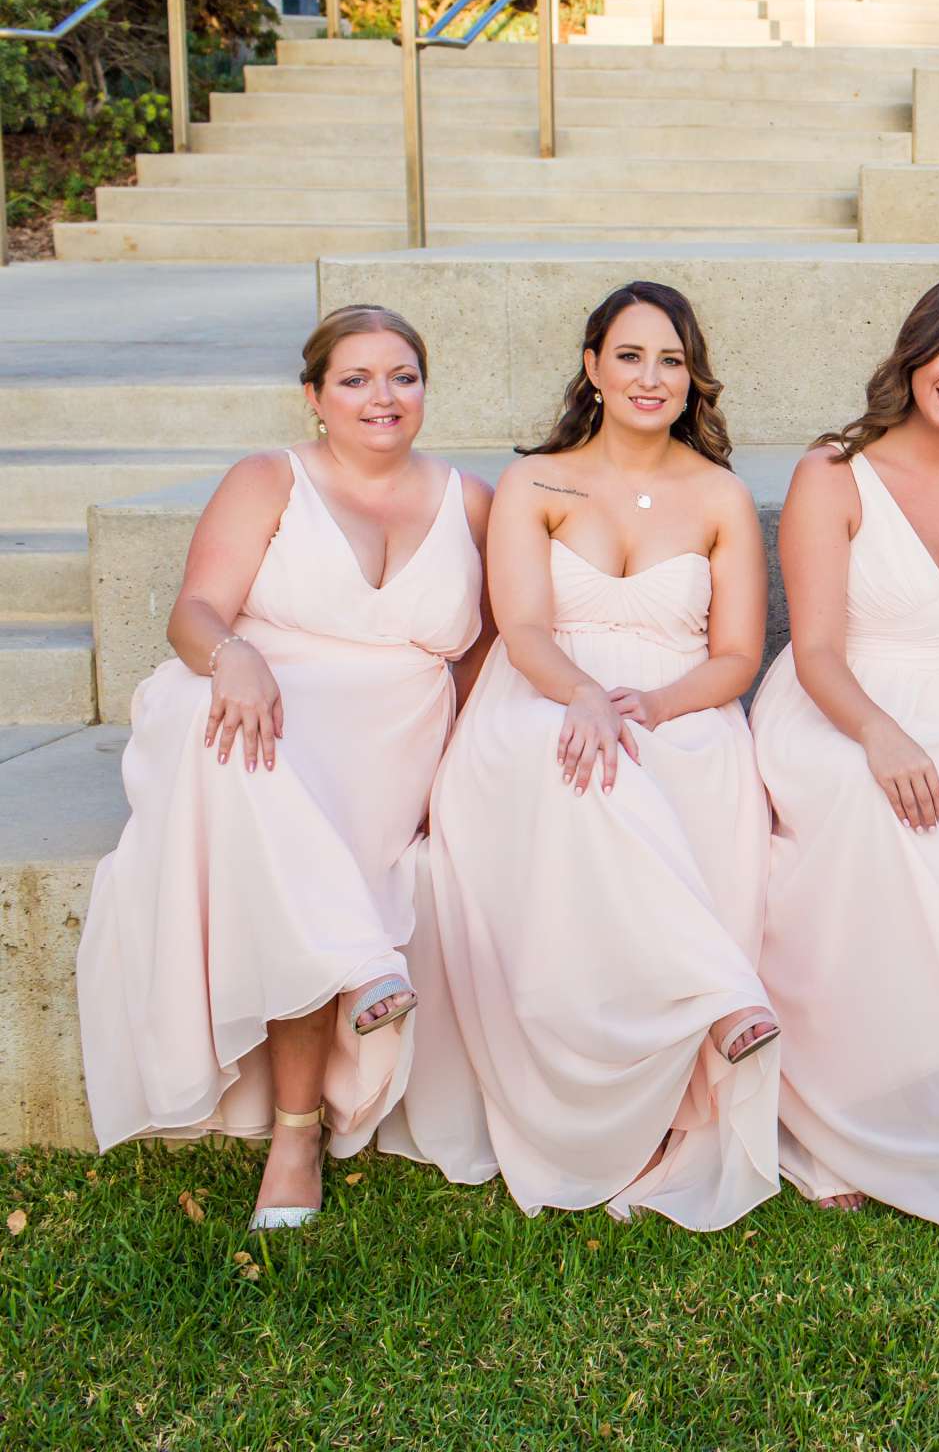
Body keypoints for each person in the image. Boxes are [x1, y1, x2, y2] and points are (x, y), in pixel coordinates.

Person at [78, 305, 490, 1231]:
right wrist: (235, 656)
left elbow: (482, 659)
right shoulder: (270, 479)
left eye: (402, 376)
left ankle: (330, 1037)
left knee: (312, 832)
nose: (382, 397)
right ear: (315, 398)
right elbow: (194, 613)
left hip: (396, 731)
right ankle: (310, 1099)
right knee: (245, 756)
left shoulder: (471, 501)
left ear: (425, 389)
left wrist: (457, 767)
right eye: (356, 380)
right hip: (259, 706)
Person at [386, 280, 781, 1230]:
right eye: (632, 356)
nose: (651, 377)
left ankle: (675, 1057)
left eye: (672, 360)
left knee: (681, 766)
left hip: (677, 699)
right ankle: (720, 996)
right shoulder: (536, 482)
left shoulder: (720, 493)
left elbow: (737, 655)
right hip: (543, 691)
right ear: (594, 367)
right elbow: (520, 626)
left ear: (694, 380)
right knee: (580, 768)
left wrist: (652, 703)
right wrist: (588, 697)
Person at [750, 274, 939, 1237]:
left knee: (930, 824)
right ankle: (831, 1111)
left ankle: (907, 1099)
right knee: (865, 809)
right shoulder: (834, 471)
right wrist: (878, 733)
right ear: (913, 351)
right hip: (838, 708)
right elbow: (819, 647)